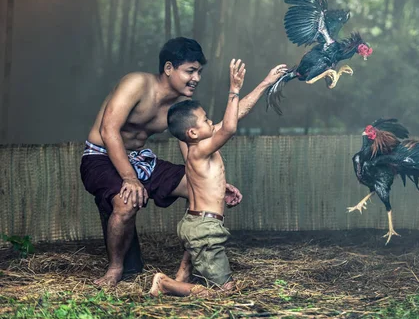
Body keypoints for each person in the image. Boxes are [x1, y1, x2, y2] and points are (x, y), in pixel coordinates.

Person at [80, 36, 285, 286]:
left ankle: (183, 272)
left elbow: (207, 141)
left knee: (196, 188)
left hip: (140, 160)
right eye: (190, 71)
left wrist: (211, 184)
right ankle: (115, 269)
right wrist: (129, 178)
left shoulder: (181, 108)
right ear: (169, 68)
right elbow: (108, 130)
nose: (196, 78)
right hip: (100, 157)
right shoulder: (137, 83)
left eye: (199, 72)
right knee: (125, 202)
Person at [150, 59, 278, 297]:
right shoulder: (200, 149)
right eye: (207, 120)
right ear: (193, 132)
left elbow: (235, 116)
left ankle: (182, 275)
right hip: (205, 228)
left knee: (208, 265)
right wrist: (234, 89)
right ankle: (166, 284)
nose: (211, 122)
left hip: (197, 223)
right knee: (223, 292)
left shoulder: (195, 147)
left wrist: (266, 82)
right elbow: (229, 127)